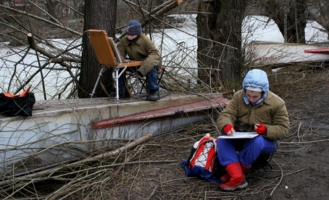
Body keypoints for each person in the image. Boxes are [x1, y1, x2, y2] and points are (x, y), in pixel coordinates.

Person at [216, 69, 289, 191]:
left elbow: (283, 128)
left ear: (263, 92)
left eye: (255, 96)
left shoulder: (277, 103)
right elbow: (226, 115)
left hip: (266, 140)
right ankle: (237, 176)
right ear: (245, 90)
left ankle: (237, 172)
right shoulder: (238, 96)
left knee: (256, 141)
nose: (251, 99)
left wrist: (265, 130)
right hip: (241, 135)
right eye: (248, 95)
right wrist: (227, 126)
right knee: (222, 140)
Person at [116, 20, 161, 101]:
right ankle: (122, 91)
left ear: (138, 34)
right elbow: (120, 53)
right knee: (119, 67)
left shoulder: (145, 40)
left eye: (131, 35)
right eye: (128, 34)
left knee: (151, 67)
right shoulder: (124, 40)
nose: (129, 37)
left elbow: (155, 54)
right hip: (135, 63)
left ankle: (154, 91)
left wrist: (143, 69)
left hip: (149, 62)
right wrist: (120, 60)